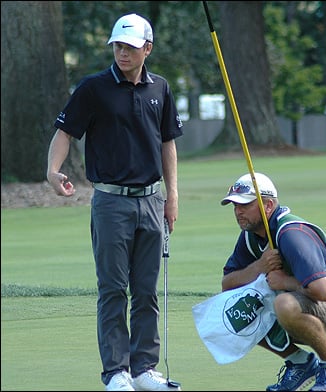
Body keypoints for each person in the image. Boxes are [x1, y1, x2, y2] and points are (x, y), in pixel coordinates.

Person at [47, 13, 183, 392]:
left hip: (151, 202)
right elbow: (65, 132)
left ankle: (143, 370)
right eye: (118, 46)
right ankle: (116, 372)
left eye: (130, 47)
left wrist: (171, 196)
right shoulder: (93, 88)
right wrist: (52, 171)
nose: (123, 53)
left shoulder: (160, 88)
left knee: (146, 290)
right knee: (112, 289)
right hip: (110, 202)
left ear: (147, 49)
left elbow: (167, 143)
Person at [220, 172, 326, 391]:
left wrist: (285, 282)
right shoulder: (251, 235)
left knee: (284, 303)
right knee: (233, 310)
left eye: (245, 205)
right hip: (310, 309)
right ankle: (301, 363)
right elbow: (228, 284)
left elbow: (325, 291)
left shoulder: (291, 233)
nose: (238, 211)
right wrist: (259, 266)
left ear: (268, 205)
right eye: (235, 206)